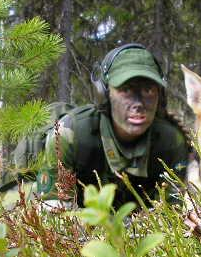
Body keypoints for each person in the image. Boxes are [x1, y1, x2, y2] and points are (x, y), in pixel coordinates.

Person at [20, 43, 189, 208]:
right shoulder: (70, 134)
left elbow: (173, 214)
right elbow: (53, 213)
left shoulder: (171, 143)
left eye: (148, 91)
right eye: (126, 90)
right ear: (104, 93)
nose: (138, 104)